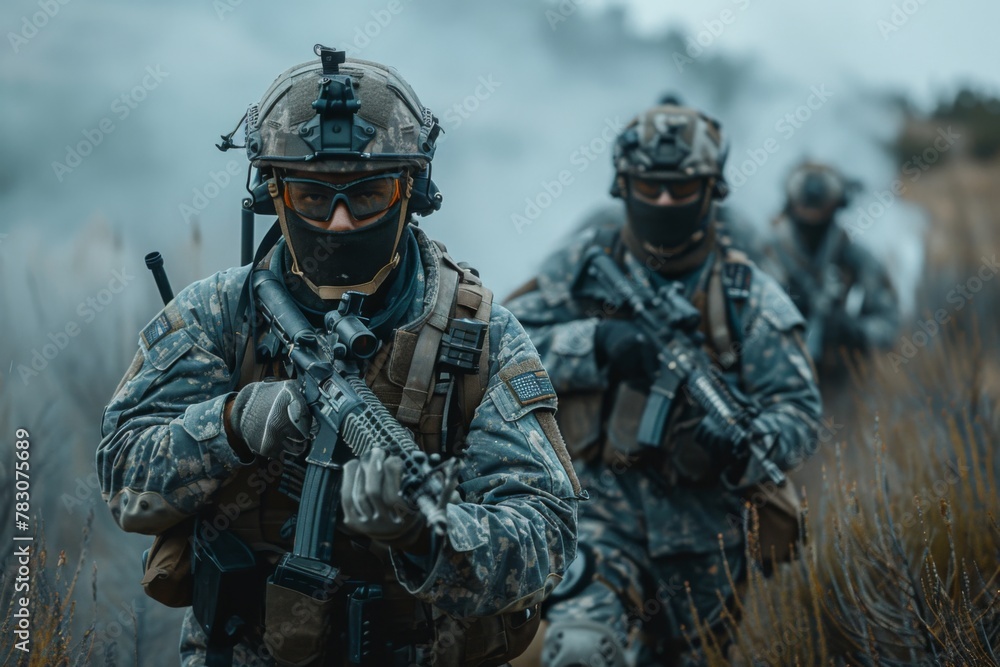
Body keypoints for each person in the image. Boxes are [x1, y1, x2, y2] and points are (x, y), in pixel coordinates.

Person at [97, 46, 579, 667]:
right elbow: (123, 482)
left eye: (370, 194)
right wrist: (228, 426)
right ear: (274, 194)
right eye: (314, 197)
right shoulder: (218, 317)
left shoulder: (479, 337)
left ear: (412, 191)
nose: (344, 222)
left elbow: (547, 536)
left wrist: (428, 536)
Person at [505, 104, 822, 666]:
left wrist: (746, 442)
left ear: (711, 189)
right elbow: (501, 346)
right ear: (623, 185)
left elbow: (798, 412)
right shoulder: (584, 261)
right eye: (650, 186)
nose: (666, 202)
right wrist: (597, 344)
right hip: (597, 512)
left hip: (706, 535)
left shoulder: (750, 297)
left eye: (683, 188)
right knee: (578, 650)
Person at [761, 161, 899, 382]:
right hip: (774, 382)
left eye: (819, 221)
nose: (812, 229)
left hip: (841, 384)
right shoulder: (768, 255)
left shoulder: (854, 257)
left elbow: (889, 325)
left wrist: (855, 332)